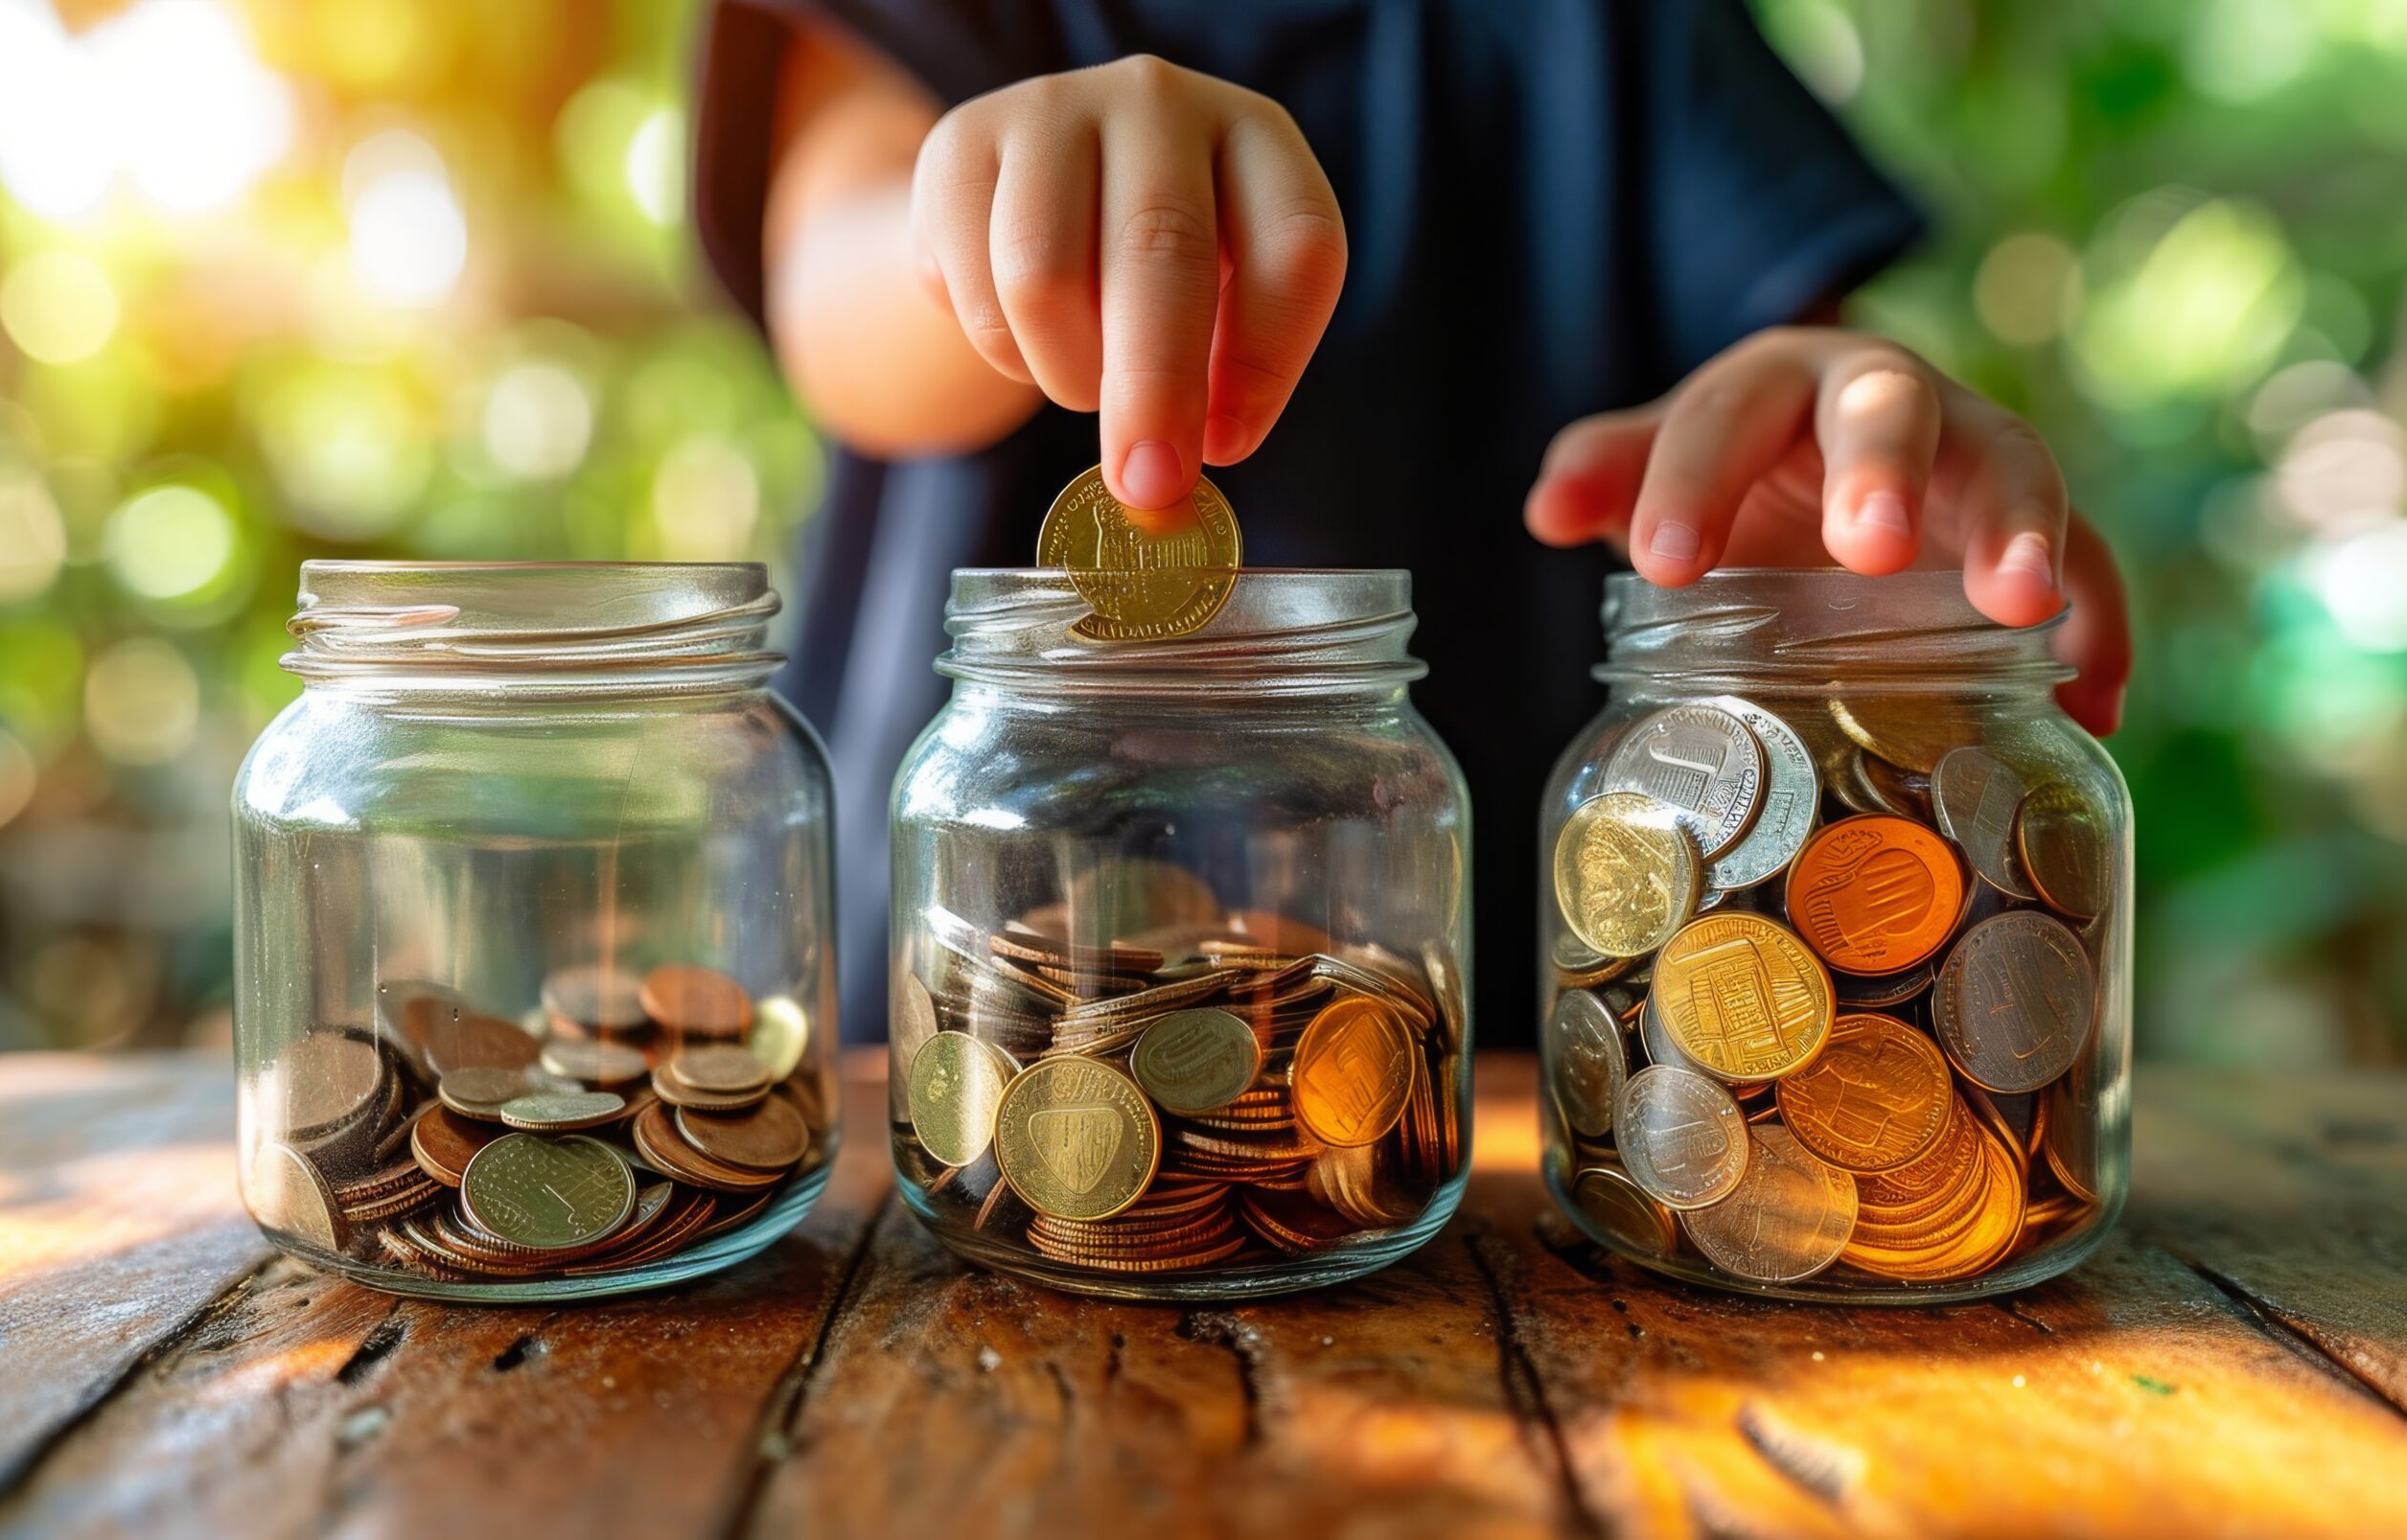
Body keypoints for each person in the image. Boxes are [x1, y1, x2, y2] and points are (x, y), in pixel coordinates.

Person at [691, 0, 2132, 1047]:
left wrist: (1849, 506)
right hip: (962, 1011)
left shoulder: (1629, 31)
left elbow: (1782, 445)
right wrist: (963, 224)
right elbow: (844, 295)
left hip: (1477, 1024)